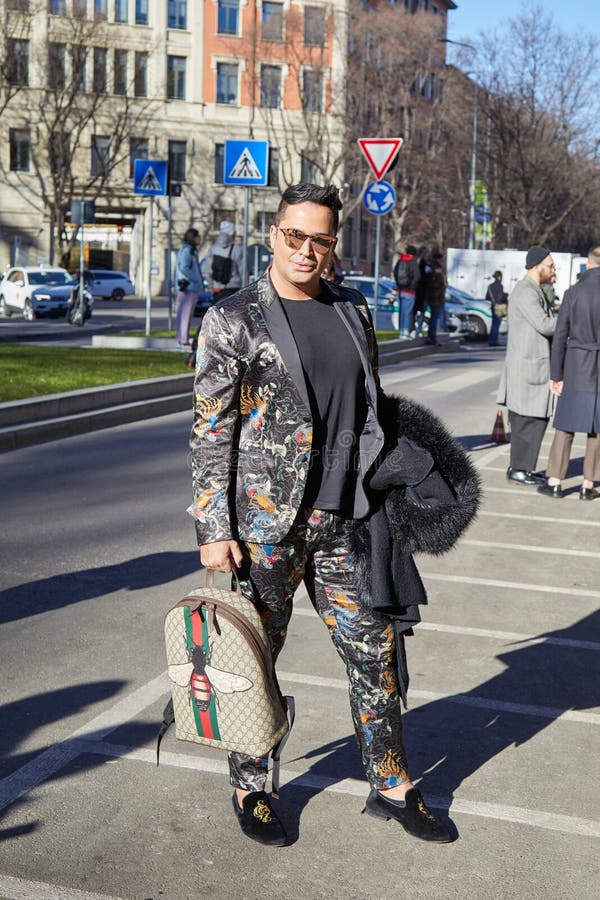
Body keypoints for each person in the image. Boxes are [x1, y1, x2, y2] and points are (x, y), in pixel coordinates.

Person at [189, 182, 455, 847]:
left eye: (321, 240)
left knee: (376, 651)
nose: (307, 251)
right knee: (255, 660)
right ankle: (252, 785)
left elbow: (367, 407)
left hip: (347, 518)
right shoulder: (234, 319)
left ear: (333, 243)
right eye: (294, 237)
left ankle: (391, 781)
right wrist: (213, 528)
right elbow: (209, 431)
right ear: (272, 235)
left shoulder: (352, 308)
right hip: (264, 530)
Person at [538, 244, 600, 500]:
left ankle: (555, 481)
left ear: (588, 264)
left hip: (575, 364)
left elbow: (560, 336)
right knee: (597, 428)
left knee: (565, 426)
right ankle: (588, 485)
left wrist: (556, 374)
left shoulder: (572, 293)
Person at [496, 245, 557, 485]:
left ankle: (525, 468)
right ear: (537, 266)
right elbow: (544, 324)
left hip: (532, 367)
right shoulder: (526, 292)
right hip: (527, 369)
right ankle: (519, 469)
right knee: (526, 422)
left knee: (534, 421)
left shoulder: (533, 289)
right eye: (550, 265)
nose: (553, 270)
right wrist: (570, 318)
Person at [175, 228, 202, 348]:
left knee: (183, 314)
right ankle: (183, 339)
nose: (199, 239)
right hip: (188, 287)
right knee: (186, 314)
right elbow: (184, 267)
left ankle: (181, 338)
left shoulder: (188, 250)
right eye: (197, 236)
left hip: (186, 287)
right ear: (193, 237)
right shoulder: (188, 251)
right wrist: (196, 279)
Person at [204, 220, 244, 298]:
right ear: (232, 233)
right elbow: (242, 271)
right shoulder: (237, 249)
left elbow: (208, 271)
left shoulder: (213, 249)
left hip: (217, 288)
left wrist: (211, 287)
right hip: (234, 288)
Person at [393, 244, 420, 339]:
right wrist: (412, 286)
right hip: (410, 292)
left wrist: (399, 284)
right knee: (408, 312)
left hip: (400, 291)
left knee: (401, 312)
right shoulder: (413, 262)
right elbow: (417, 277)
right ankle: (406, 332)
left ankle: (401, 331)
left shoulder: (400, 260)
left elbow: (395, 272)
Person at [423, 252, 446, 345]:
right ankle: (432, 337)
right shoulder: (437, 271)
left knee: (433, 318)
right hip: (436, 297)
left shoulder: (429, 268)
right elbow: (443, 284)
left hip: (431, 296)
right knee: (434, 318)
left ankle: (431, 336)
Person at [486, 270, 507, 347]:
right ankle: (494, 341)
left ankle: (491, 340)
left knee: (493, 323)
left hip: (492, 306)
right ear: (499, 277)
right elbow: (500, 297)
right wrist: (505, 296)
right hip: (499, 306)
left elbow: (487, 297)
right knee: (497, 324)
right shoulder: (500, 286)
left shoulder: (490, 286)